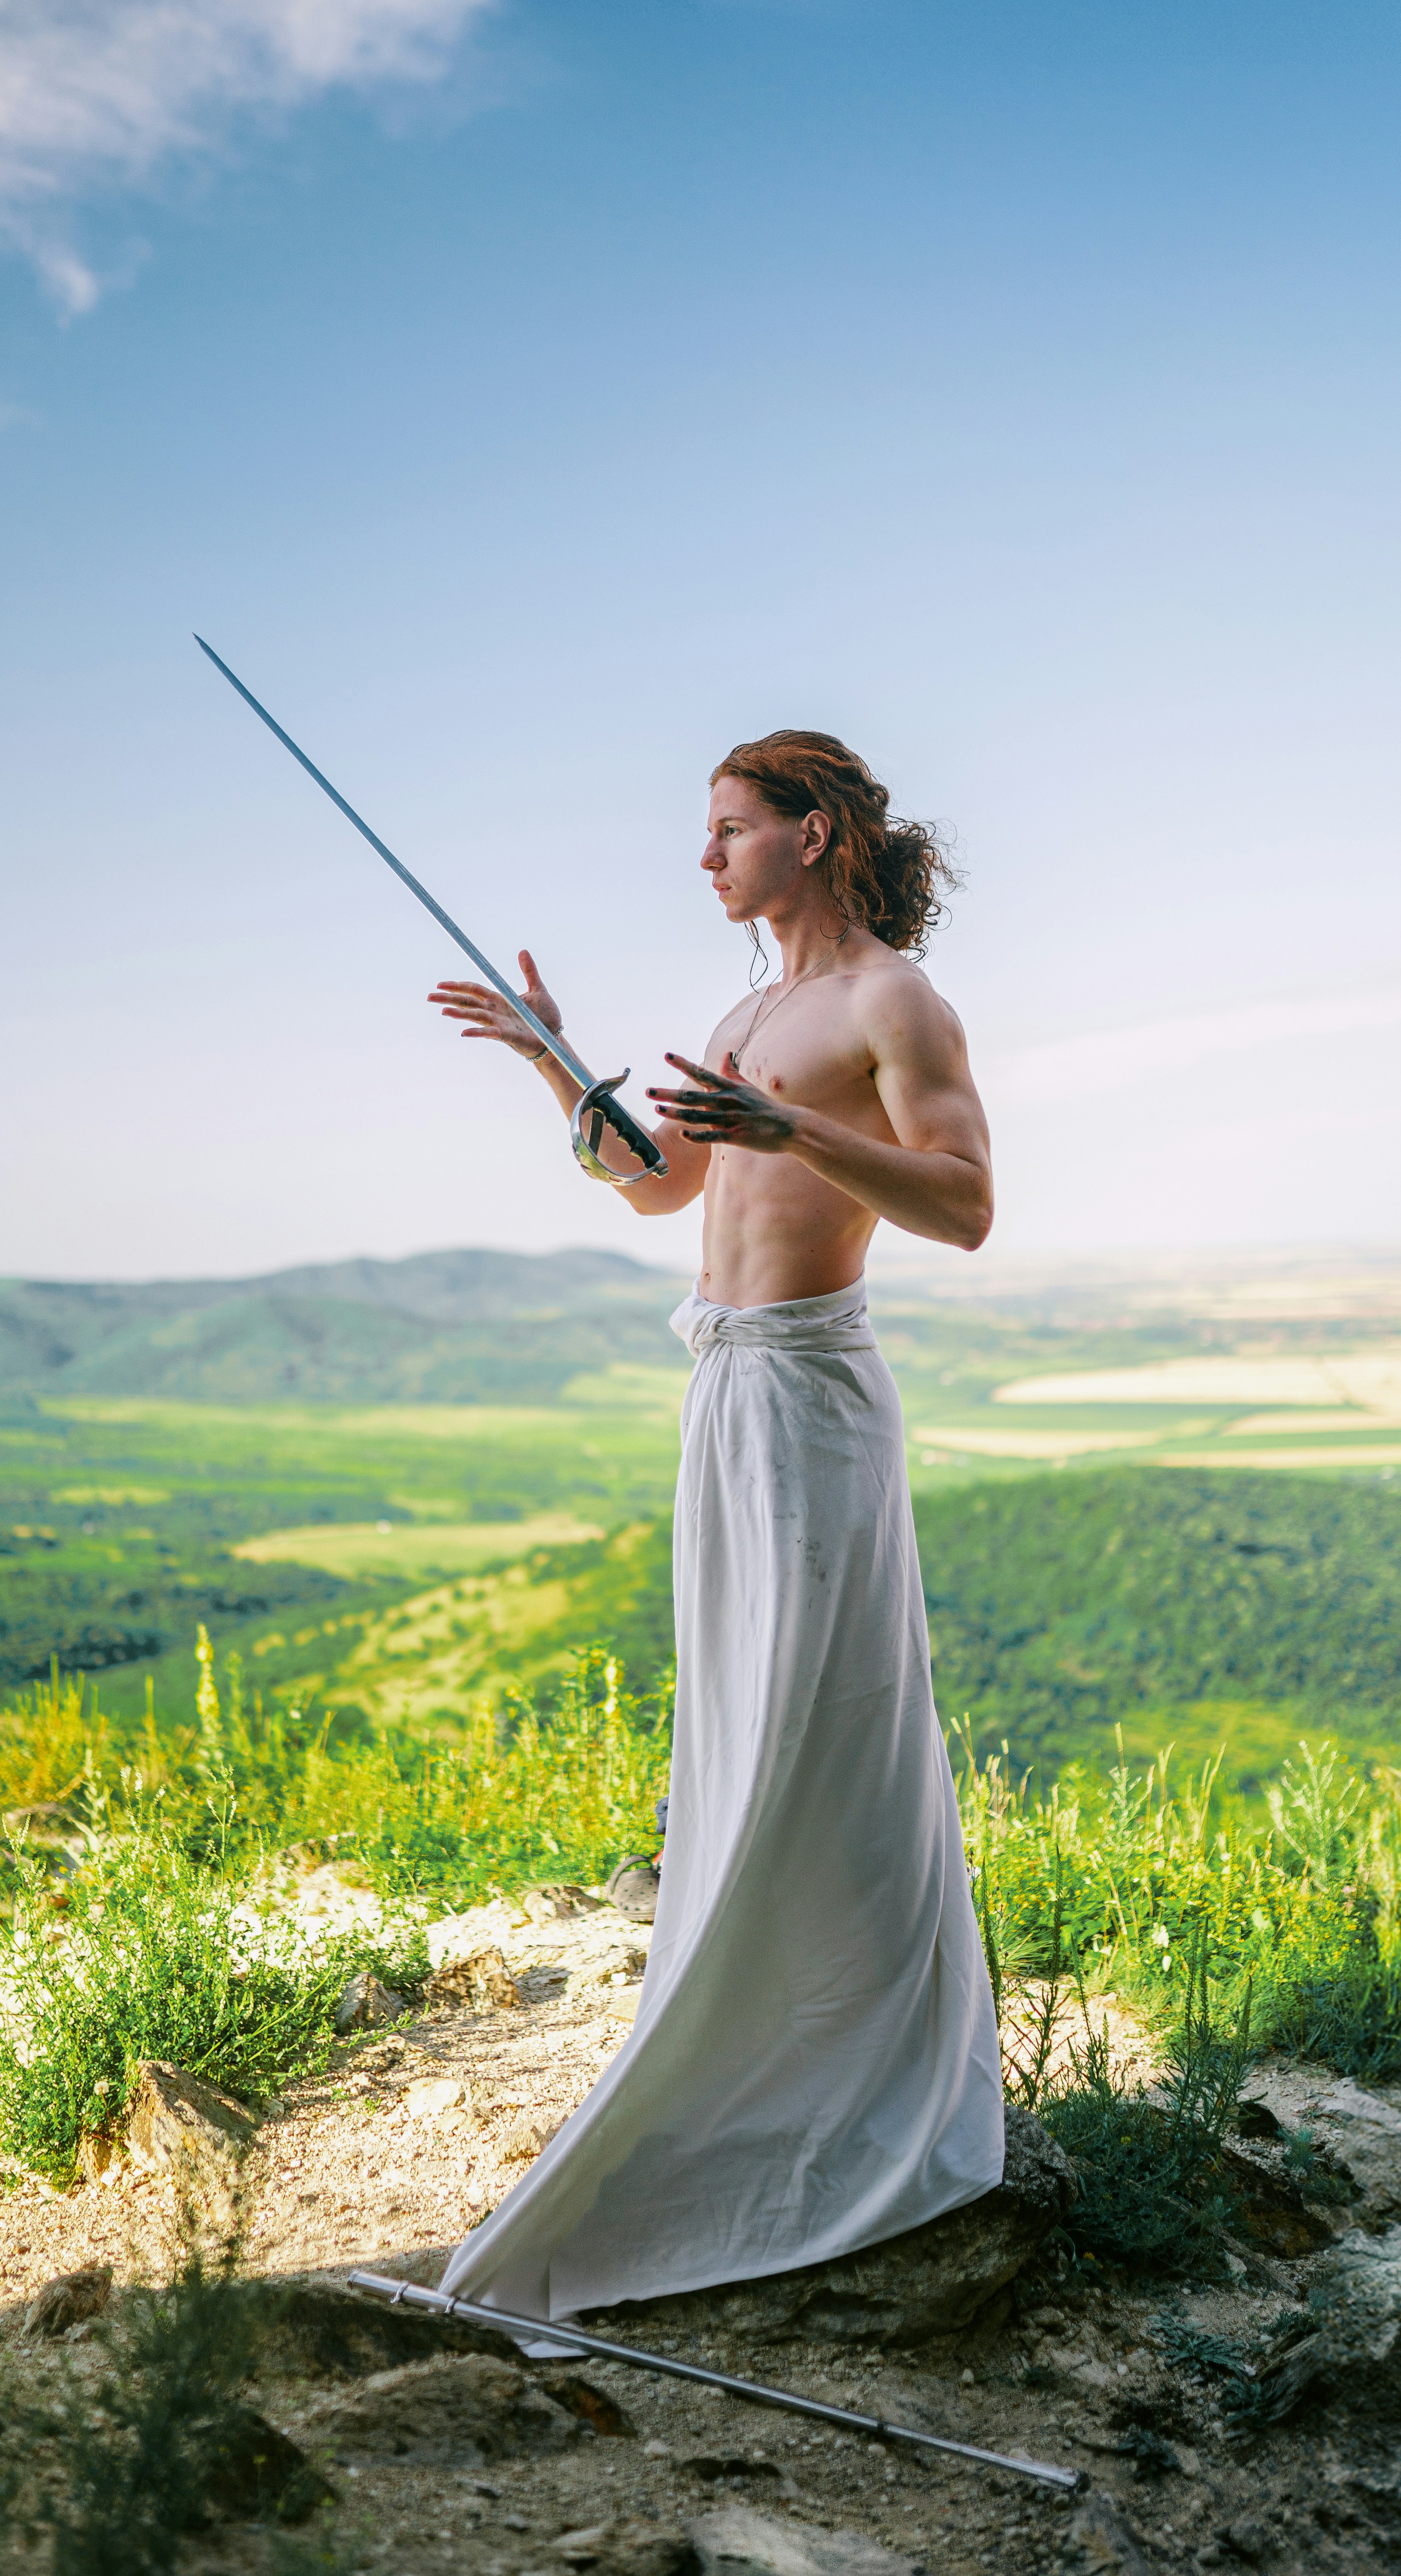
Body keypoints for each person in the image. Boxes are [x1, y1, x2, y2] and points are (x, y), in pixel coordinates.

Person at [425, 729, 1003, 2333]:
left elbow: (964, 1204)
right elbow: (660, 1189)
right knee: (746, 1725)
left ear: (813, 835)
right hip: (726, 1397)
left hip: (818, 1395)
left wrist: (798, 1134)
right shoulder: (748, 1014)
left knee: (829, 1724)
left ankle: (856, 2084)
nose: (706, 858)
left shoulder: (893, 1000)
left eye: (731, 830)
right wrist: (556, 1059)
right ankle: (754, 2050)